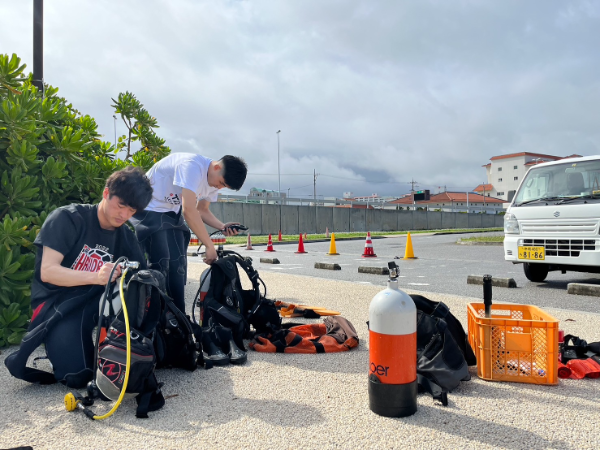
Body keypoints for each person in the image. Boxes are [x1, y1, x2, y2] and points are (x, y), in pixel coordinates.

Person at [5, 166, 153, 388]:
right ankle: (60, 342)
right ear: (106, 193)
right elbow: (48, 272)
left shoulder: (125, 234)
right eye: (121, 205)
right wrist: (97, 276)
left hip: (99, 299)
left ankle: (117, 345)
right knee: (76, 375)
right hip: (59, 302)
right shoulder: (67, 218)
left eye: (132, 211)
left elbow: (142, 277)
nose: (124, 215)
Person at [129, 153, 248, 313]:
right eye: (221, 183)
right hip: (148, 207)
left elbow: (202, 210)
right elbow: (189, 211)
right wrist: (209, 245)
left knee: (178, 267)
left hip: (170, 212)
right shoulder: (192, 166)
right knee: (160, 263)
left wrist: (222, 226)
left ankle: (178, 318)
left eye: (223, 187)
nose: (219, 188)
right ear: (217, 167)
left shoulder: (213, 182)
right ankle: (152, 318)